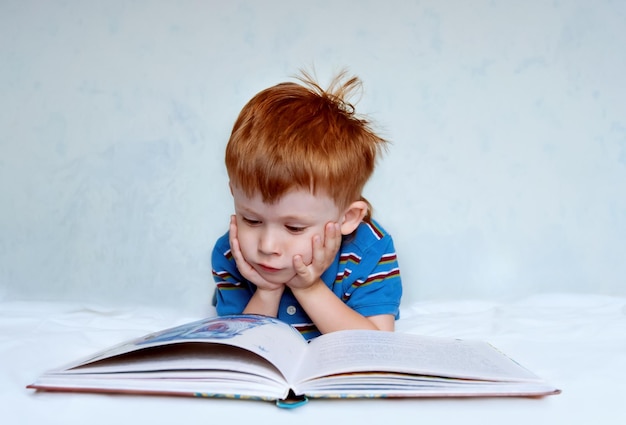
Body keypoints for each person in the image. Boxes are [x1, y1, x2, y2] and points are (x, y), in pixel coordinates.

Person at [211, 70, 402, 340]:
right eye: (251, 220)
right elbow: (240, 350)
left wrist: (308, 288)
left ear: (347, 218)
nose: (266, 246)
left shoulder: (370, 250)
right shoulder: (233, 254)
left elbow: (375, 344)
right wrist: (267, 290)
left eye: (294, 227)